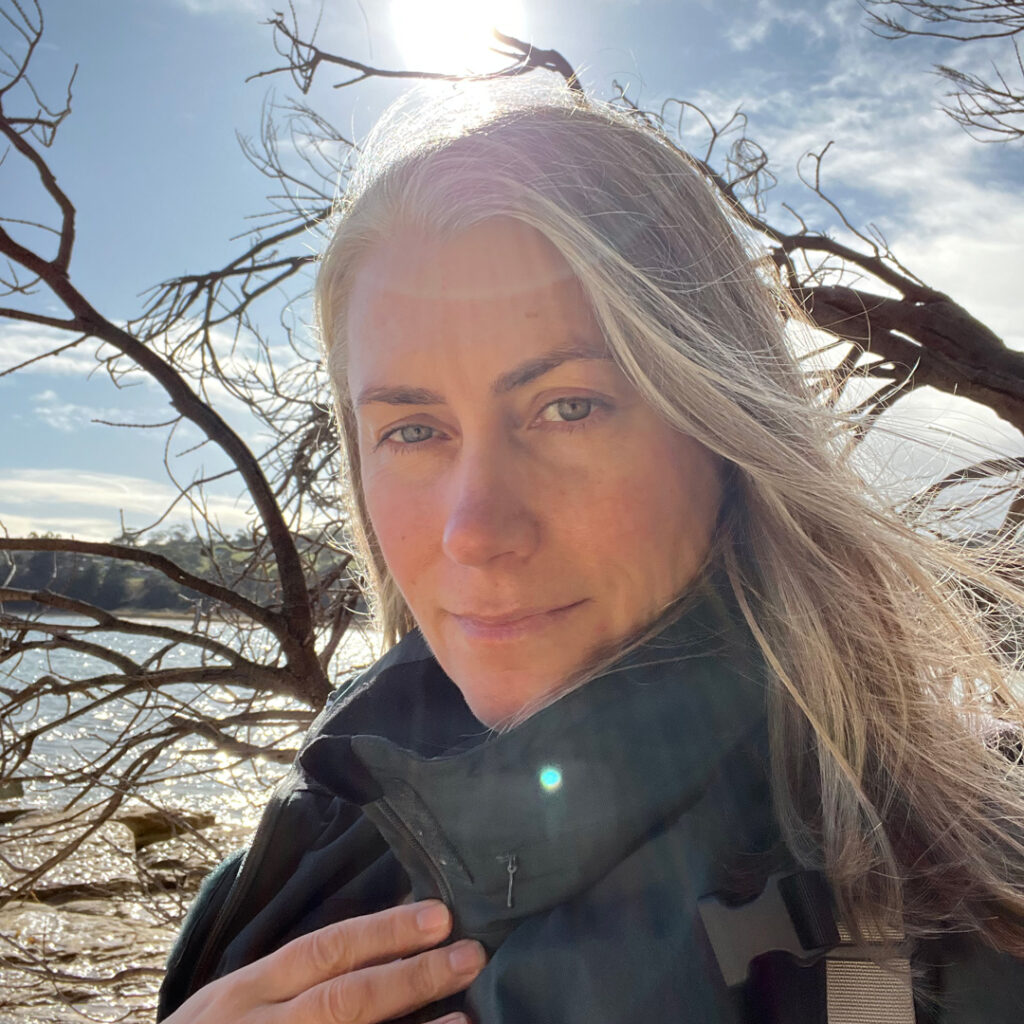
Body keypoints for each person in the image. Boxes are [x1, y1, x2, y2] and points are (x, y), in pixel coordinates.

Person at [157, 82, 1024, 1023]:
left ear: (724, 430)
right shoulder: (280, 881)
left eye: (568, 407)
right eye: (412, 430)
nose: (475, 531)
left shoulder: (963, 919)